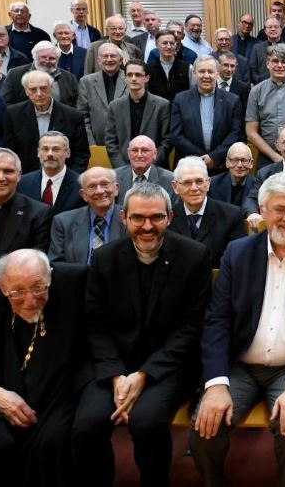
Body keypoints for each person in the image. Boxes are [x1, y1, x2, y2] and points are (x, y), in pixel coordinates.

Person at [191, 172, 285, 487]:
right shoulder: (238, 252)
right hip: (241, 366)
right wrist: (216, 385)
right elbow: (217, 320)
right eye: (279, 209)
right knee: (204, 425)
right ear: (263, 211)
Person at [73, 182, 212, 487]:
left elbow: (192, 327)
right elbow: (95, 324)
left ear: (170, 217)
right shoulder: (105, 257)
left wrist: (145, 374)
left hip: (167, 366)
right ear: (124, 218)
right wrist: (116, 376)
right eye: (138, 218)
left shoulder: (195, 256)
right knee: (86, 425)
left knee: (146, 423)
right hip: (113, 365)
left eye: (156, 218)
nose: (147, 226)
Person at [0, 249, 88, 486]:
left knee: (54, 439)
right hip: (0, 389)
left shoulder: (75, 282)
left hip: (57, 393)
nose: (30, 300)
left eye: (38, 287)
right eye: (17, 292)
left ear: (50, 277)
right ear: (1, 287)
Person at [3, 70, 89, 173]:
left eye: (43, 88)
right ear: (26, 91)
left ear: (51, 88)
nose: (39, 94)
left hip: (63, 177)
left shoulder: (73, 116)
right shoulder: (13, 114)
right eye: (33, 89)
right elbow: (9, 151)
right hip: (24, 178)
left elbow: (82, 155)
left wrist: (70, 179)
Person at [169, 55, 244, 173]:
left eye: (210, 71)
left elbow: (236, 133)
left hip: (221, 167)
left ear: (217, 74)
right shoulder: (180, 99)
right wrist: (204, 159)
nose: (206, 76)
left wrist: (215, 157)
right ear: (194, 73)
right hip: (189, 167)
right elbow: (176, 135)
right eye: (202, 71)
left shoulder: (232, 100)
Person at [168, 156, 245, 265]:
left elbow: (237, 260)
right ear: (175, 187)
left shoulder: (232, 216)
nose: (194, 188)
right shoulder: (167, 217)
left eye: (199, 181)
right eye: (187, 183)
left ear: (208, 183)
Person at [49, 166, 126, 264]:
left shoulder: (130, 219)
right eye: (92, 186)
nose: (99, 191)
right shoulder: (63, 222)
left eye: (105, 184)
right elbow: (56, 264)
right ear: (83, 194)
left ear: (116, 189)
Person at [104, 60, 171, 167]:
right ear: (124, 78)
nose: (134, 79)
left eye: (138, 75)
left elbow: (167, 141)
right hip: (124, 167)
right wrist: (122, 167)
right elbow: (110, 141)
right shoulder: (115, 106)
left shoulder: (162, 105)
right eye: (130, 75)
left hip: (155, 167)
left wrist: (150, 163)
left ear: (147, 78)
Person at [0, 148, 51, 263]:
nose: (0, 178)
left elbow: (37, 263)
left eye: (8, 171)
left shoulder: (38, 214)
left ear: (19, 176)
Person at [16, 130, 85, 216]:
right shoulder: (23, 183)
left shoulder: (81, 184)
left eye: (56, 149)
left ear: (68, 153)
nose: (50, 154)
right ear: (38, 153)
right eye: (45, 149)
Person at [77, 43, 129, 145]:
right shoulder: (86, 82)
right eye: (105, 56)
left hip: (127, 144)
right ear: (98, 61)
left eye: (113, 56)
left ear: (120, 60)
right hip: (97, 143)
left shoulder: (131, 79)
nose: (109, 59)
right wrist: (91, 144)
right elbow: (83, 117)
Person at [113, 135, 175, 201]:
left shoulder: (169, 179)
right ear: (128, 154)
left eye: (144, 150)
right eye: (134, 150)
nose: (139, 155)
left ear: (155, 154)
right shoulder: (114, 177)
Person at [208, 142, 254, 208]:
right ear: (227, 162)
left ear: (251, 163)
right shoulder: (213, 184)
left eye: (244, 160)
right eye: (235, 160)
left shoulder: (257, 186)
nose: (239, 165)